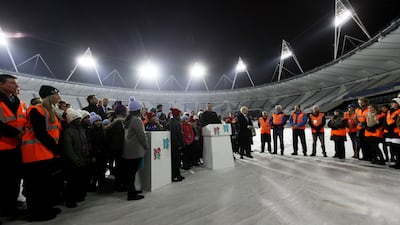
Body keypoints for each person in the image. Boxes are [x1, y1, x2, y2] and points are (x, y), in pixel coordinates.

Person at [21, 85, 62, 221]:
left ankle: (46, 208)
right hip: (35, 154)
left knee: (45, 185)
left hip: (45, 153)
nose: (59, 97)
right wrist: (55, 149)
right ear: (50, 96)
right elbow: (41, 133)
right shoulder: (36, 110)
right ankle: (37, 213)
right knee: (36, 187)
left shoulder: (49, 111)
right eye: (56, 94)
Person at [0, 74, 27, 219]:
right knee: (4, 181)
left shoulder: (16, 100)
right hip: (3, 147)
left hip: (16, 147)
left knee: (14, 180)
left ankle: (10, 208)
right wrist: (16, 133)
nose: (16, 86)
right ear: (1, 84)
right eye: (12, 83)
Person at [60, 108, 88, 208]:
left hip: (81, 159)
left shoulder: (80, 130)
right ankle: (70, 200)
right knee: (72, 182)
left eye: (79, 119)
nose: (79, 121)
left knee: (78, 180)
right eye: (77, 119)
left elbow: (85, 144)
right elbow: (68, 149)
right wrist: (75, 159)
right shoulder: (68, 132)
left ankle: (78, 196)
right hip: (73, 162)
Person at [123, 96, 148, 200]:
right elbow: (141, 135)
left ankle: (131, 192)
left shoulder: (128, 120)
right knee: (132, 172)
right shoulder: (136, 120)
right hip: (135, 150)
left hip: (129, 150)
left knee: (130, 172)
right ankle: (131, 194)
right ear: (138, 110)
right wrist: (146, 145)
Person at [167, 108, 185, 182]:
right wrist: (178, 144)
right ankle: (174, 175)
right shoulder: (173, 122)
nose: (180, 116)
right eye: (180, 114)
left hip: (177, 144)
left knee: (177, 161)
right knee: (175, 161)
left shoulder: (176, 121)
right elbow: (174, 135)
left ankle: (178, 174)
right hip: (175, 145)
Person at [384, 98, 400, 169]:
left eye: (394, 102)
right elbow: (386, 120)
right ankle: (396, 162)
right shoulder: (389, 111)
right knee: (393, 148)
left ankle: (398, 163)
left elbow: (397, 121)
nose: (392, 104)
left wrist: (389, 127)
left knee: (398, 148)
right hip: (390, 132)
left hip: (396, 132)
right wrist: (386, 127)